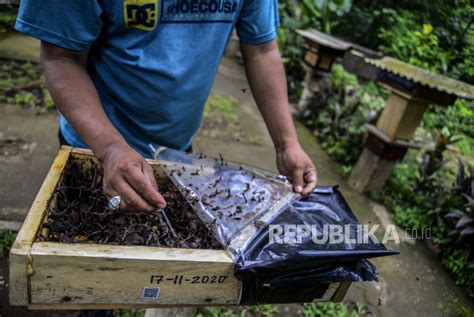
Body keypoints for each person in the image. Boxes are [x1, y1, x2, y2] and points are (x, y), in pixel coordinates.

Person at [15, 0, 317, 214]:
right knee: (88, 255)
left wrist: (287, 144)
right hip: (93, 148)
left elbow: (262, 50)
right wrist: (110, 150)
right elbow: (61, 57)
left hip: (174, 150)